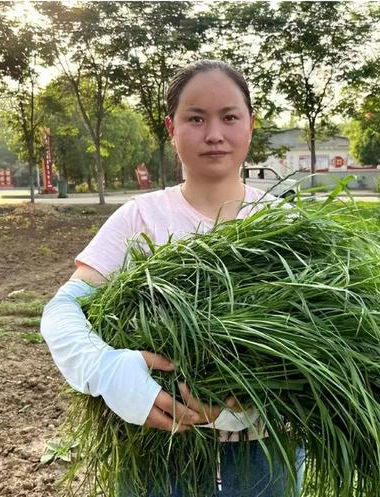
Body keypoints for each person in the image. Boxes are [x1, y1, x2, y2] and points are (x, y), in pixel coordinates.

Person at [40, 60, 304, 497]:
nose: (214, 134)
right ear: (171, 127)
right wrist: (106, 369)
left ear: (250, 125)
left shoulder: (284, 223)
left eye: (230, 117)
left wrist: (270, 376)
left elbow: (323, 327)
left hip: (265, 449)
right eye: (196, 118)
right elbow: (63, 308)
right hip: (159, 448)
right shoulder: (139, 217)